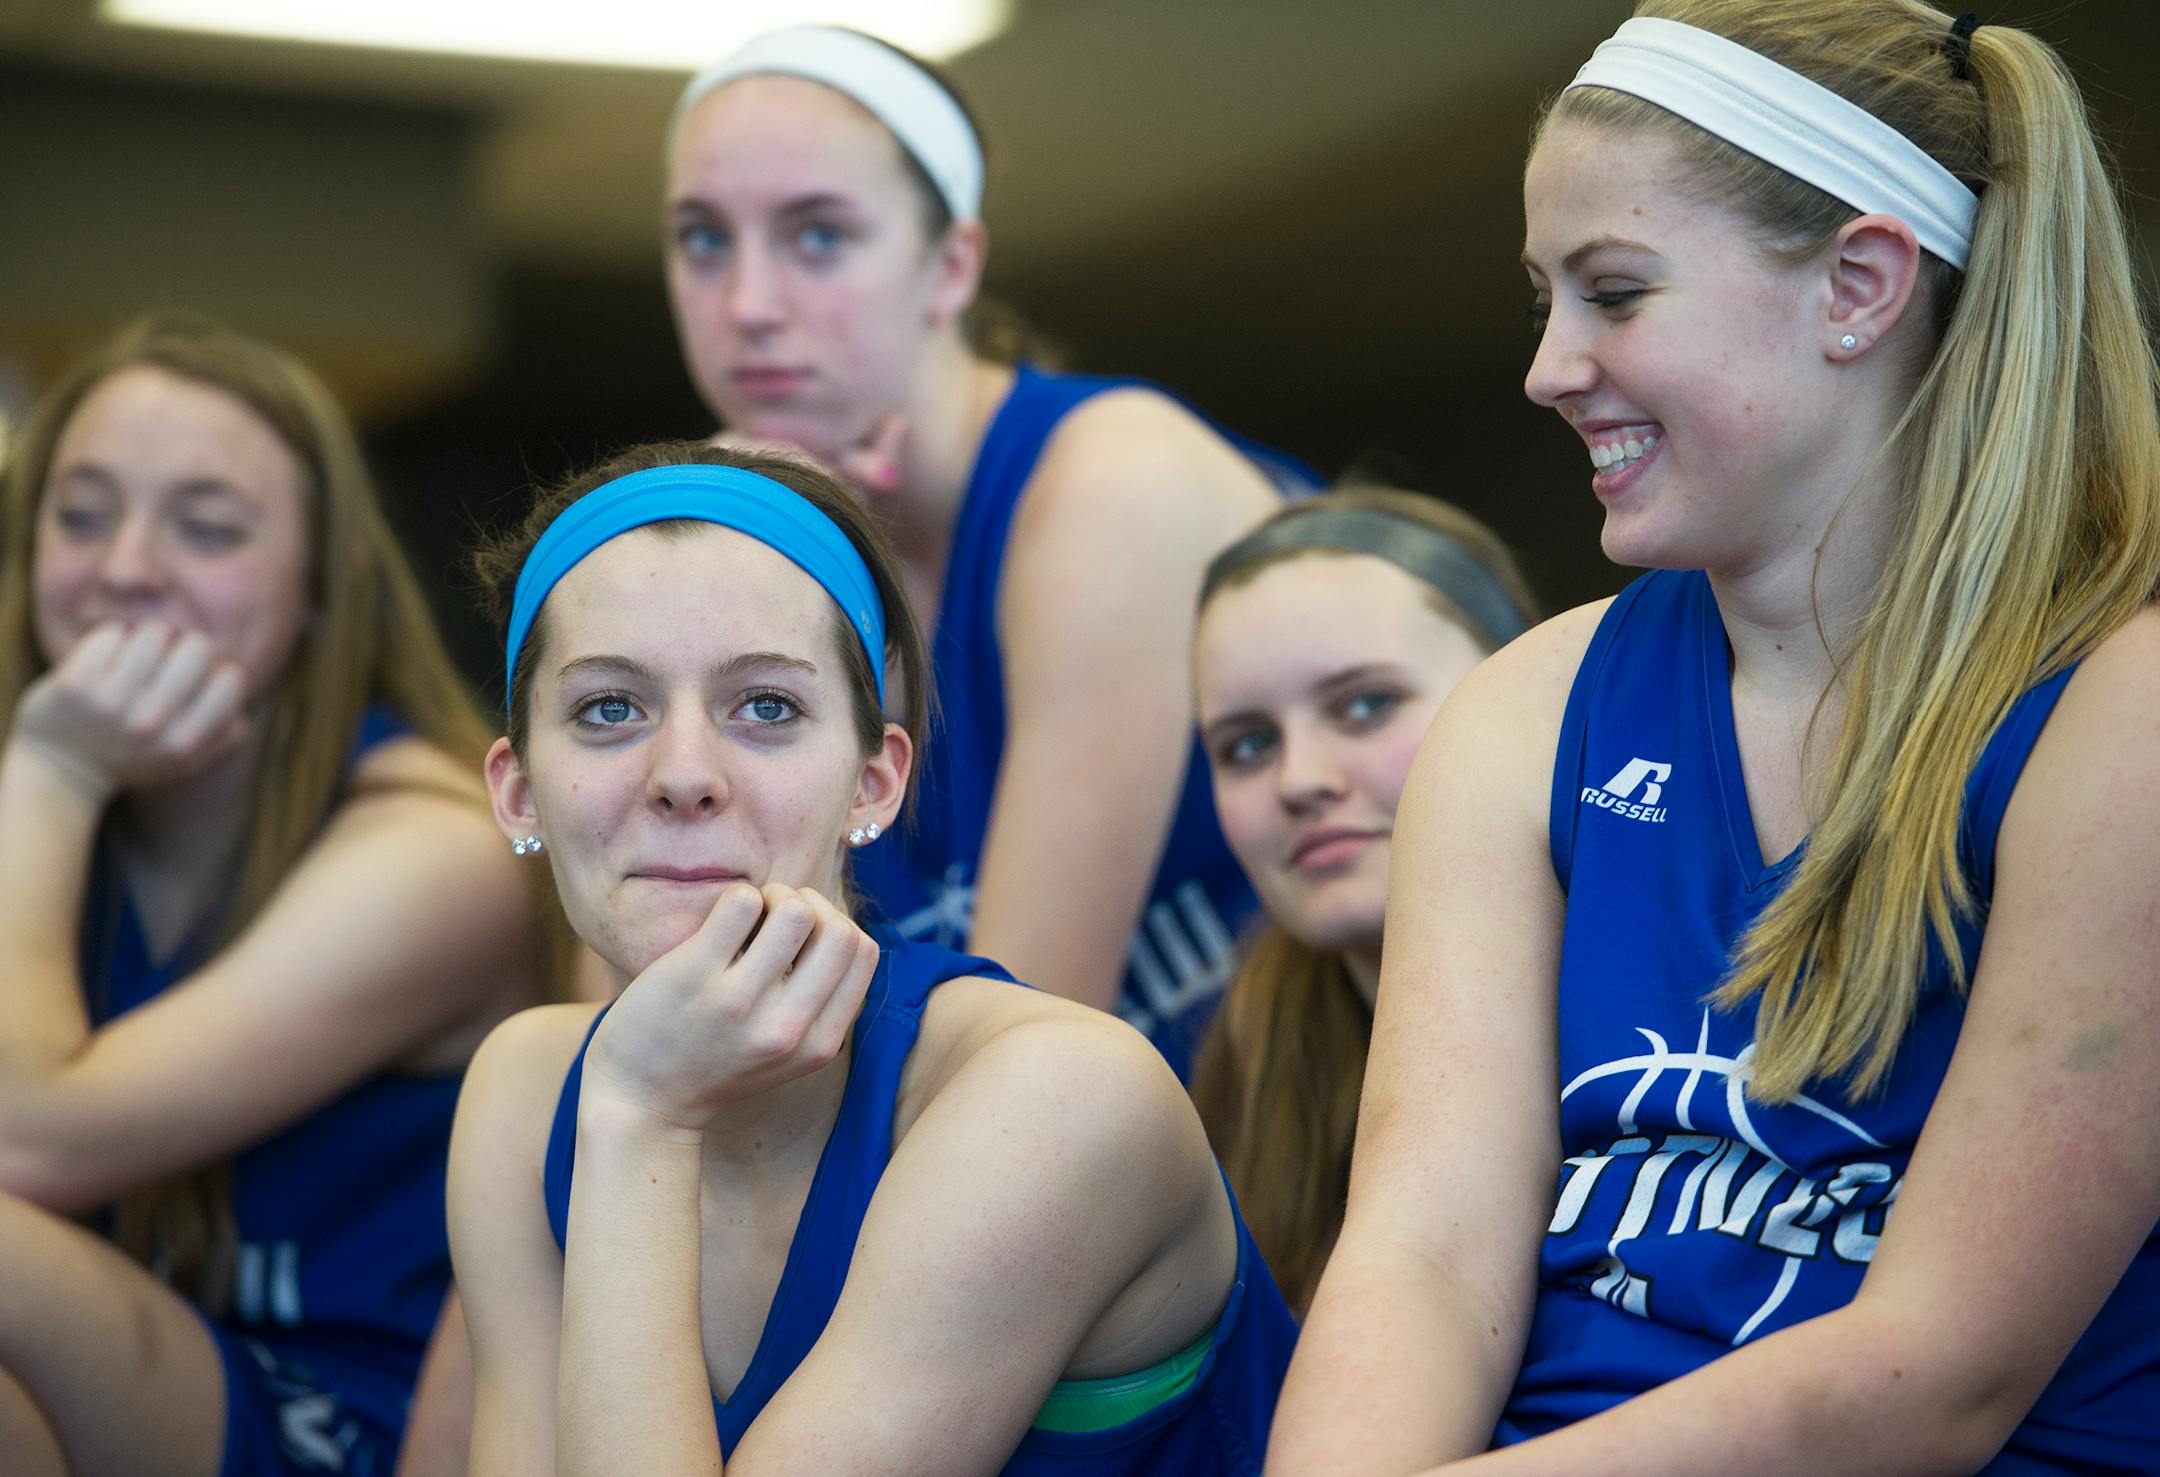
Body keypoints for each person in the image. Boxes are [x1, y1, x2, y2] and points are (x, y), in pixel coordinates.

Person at [1268, 4, 2160, 1473]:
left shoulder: (2109, 718)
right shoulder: (1526, 712)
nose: (1551, 367)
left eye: (1615, 293)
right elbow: (1421, 1259)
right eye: (1543, 298)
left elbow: (1934, 1369)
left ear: (1859, 286)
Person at [449, 442, 1297, 1474]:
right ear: (518, 792)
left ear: (874, 782)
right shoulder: (527, 1095)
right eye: (608, 709)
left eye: (765, 706)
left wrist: (641, 1118)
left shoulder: (1054, 1099)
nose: (683, 774)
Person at [664, 25, 1302, 1069]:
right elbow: (641, 1022)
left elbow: (1019, 1067)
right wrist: (747, 570)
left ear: (951, 264)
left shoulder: (1107, 487)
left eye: (817, 235)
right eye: (702, 239)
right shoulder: (759, 541)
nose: (748, 305)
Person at [0, 313, 546, 1477]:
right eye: (82, 513)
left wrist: (55, 770)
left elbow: (23, 1138)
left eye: (206, 527)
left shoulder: (434, 846)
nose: (127, 564)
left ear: (318, 585)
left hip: (338, 1413)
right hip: (92, 1367)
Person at [1187, 488, 1536, 1315]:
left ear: (1527, 686)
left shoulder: (1673, 998)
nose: (1300, 778)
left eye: (1366, 704)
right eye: (1247, 744)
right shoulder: (1247, 1069)